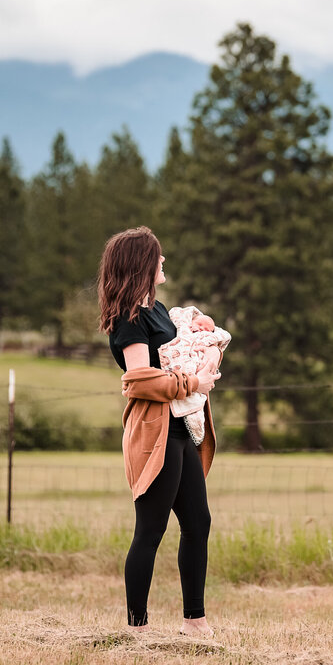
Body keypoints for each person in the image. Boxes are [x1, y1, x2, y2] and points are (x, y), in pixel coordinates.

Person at [97, 226, 222, 637]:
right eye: (158, 256)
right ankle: (137, 629)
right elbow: (139, 379)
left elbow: (180, 345)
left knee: (198, 522)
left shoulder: (157, 309)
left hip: (182, 429)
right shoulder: (129, 320)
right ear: (141, 265)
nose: (164, 260)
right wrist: (193, 385)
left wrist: (202, 326)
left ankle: (194, 620)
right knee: (150, 530)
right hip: (155, 433)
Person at [158, 305, 231, 445]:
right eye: (199, 325)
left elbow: (215, 340)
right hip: (179, 376)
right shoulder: (183, 328)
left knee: (196, 401)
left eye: (207, 329)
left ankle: (195, 423)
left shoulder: (206, 336)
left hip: (195, 370)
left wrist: (214, 350)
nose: (202, 330)